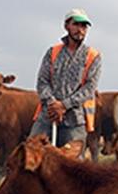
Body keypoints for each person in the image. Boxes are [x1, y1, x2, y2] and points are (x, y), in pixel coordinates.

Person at [31, 8, 102, 155]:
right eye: (76, 24)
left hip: (75, 119)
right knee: (31, 153)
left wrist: (64, 105)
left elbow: (89, 88)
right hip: (48, 115)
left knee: (73, 164)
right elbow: (42, 81)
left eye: (84, 26)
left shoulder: (93, 56)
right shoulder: (53, 52)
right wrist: (53, 104)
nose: (80, 30)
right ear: (66, 26)